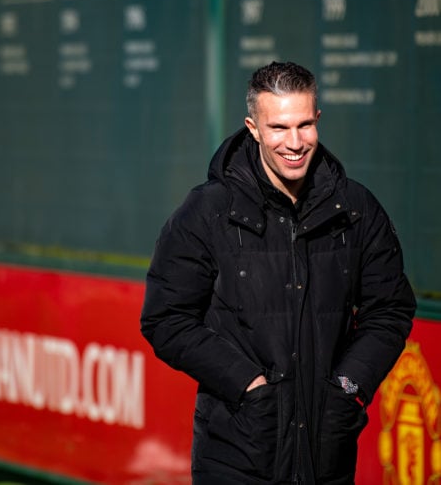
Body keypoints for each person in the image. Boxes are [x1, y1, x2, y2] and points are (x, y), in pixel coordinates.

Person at [140, 61, 416, 484]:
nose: (295, 142)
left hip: (328, 453)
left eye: (305, 125)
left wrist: (347, 388)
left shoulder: (356, 208)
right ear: (253, 128)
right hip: (237, 454)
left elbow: (390, 309)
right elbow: (166, 318)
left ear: (318, 119)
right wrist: (248, 385)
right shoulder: (207, 212)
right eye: (279, 128)